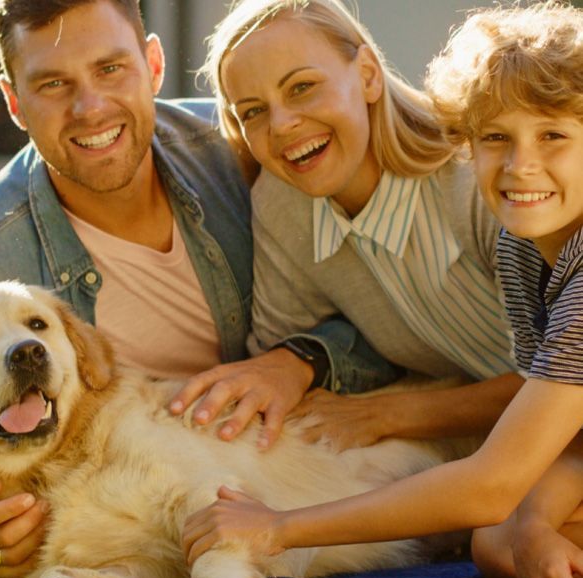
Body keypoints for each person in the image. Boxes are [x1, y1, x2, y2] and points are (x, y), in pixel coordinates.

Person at [182, 0, 583, 578]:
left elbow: (491, 482)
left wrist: (279, 529)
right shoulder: (528, 248)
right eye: (497, 138)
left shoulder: (498, 211)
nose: (520, 164)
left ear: (369, 73)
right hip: (554, 448)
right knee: (499, 543)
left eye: (552, 136)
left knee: (506, 521)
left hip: (506, 458)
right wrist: (533, 523)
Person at [0, 0, 258, 578]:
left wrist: (301, 361)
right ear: (14, 101)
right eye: (53, 83)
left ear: (153, 65)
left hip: (295, 453)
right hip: (157, 488)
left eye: (110, 69)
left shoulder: (243, 151)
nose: (90, 108)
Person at [169, 0, 523, 454]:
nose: (282, 124)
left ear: (369, 75)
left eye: (302, 87)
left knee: (506, 528)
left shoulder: (476, 173)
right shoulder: (284, 210)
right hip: (496, 445)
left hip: (559, 415)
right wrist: (293, 364)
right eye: (253, 112)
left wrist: (386, 416)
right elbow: (286, 357)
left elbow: (565, 373)